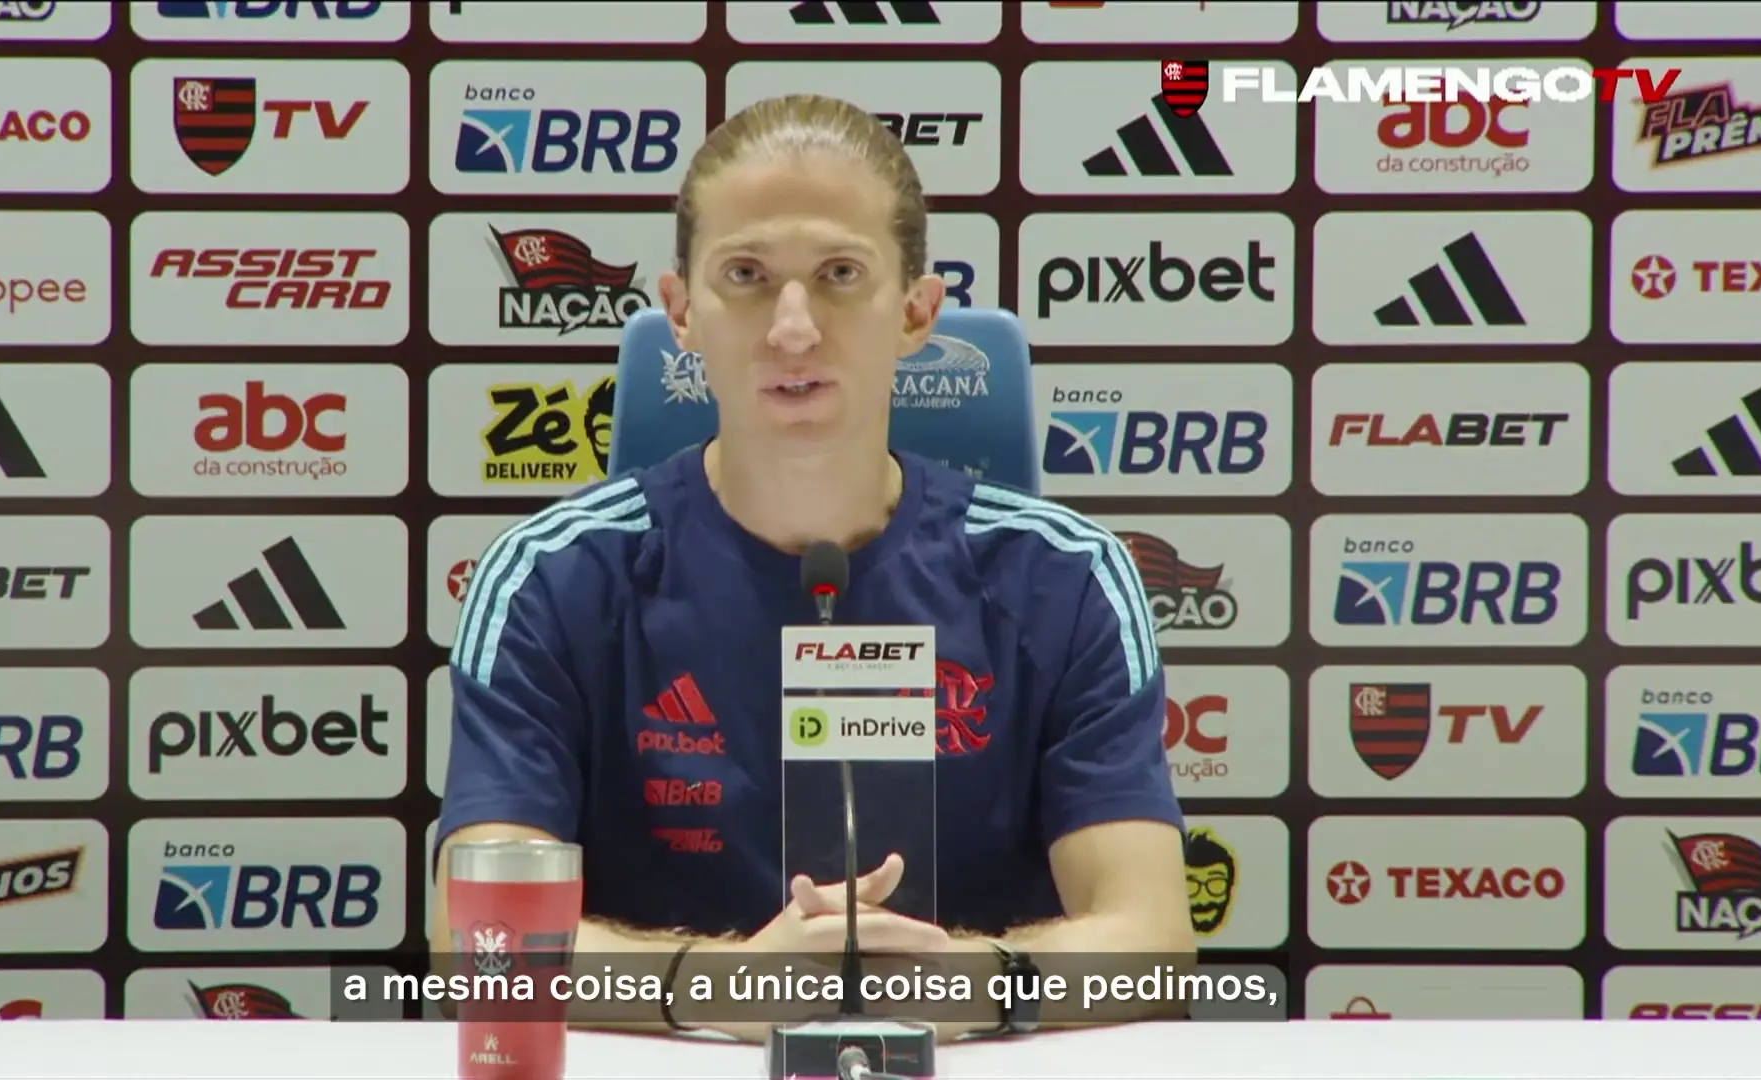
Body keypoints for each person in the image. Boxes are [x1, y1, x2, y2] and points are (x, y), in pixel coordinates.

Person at [433, 93, 1192, 1043]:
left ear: (916, 311)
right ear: (681, 311)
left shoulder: (1065, 579)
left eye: (840, 274)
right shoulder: (551, 578)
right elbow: (478, 942)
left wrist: (978, 983)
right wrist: (716, 986)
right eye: (746, 275)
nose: (793, 328)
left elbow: (1153, 938)